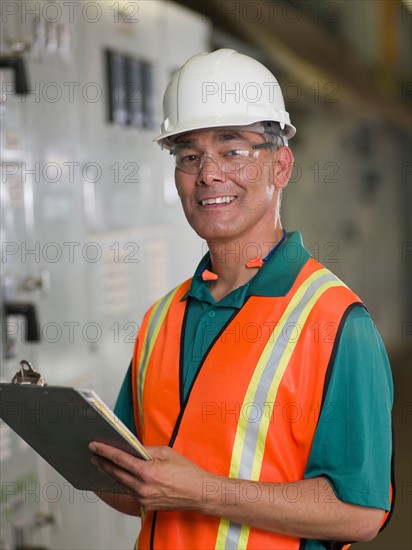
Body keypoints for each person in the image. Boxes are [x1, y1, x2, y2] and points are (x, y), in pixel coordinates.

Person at [89, 49, 394, 549]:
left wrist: (204, 493)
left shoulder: (337, 323)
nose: (208, 174)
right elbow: (141, 488)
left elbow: (360, 512)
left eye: (232, 151)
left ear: (281, 166)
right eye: (189, 155)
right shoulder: (163, 317)